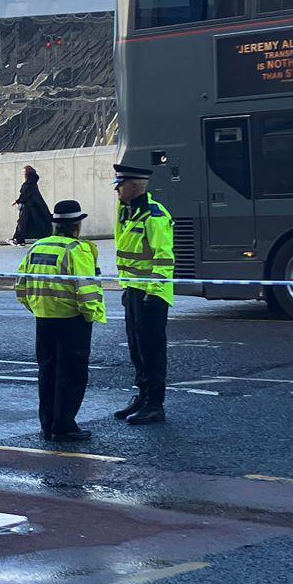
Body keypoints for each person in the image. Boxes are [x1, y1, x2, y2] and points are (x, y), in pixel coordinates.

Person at [15, 200, 106, 442]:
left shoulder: (37, 247)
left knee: (47, 372)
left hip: (44, 319)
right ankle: (64, 425)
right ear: (77, 226)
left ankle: (47, 425)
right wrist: (90, 315)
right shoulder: (77, 250)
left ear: (55, 225)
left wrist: (38, 308)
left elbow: (21, 287)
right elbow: (86, 290)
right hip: (72, 321)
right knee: (72, 375)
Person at [112, 162, 174, 425]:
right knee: (136, 348)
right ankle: (142, 394)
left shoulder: (155, 215)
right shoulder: (126, 211)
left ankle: (154, 404)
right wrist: (127, 287)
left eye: (121, 185)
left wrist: (153, 292)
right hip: (134, 290)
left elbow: (164, 257)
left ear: (135, 186)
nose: (117, 190)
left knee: (151, 349)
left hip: (152, 294)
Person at [10, 165, 48, 246]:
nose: (23, 174)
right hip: (30, 208)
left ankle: (18, 240)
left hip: (29, 208)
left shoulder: (29, 184)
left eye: (24, 172)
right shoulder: (31, 183)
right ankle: (19, 239)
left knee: (22, 223)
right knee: (23, 223)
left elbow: (25, 194)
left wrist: (17, 201)